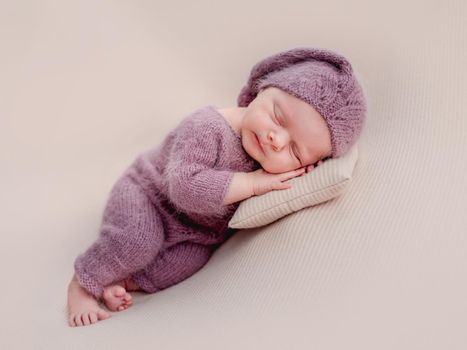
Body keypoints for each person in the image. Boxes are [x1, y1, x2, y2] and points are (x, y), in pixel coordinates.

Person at [67, 47, 367, 327]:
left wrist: (299, 173)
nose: (276, 139)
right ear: (261, 89)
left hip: (193, 231)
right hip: (148, 194)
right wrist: (251, 184)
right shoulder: (208, 127)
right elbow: (183, 186)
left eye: (296, 152)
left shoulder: (271, 163)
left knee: (187, 263)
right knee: (141, 238)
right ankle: (84, 281)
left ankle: (123, 279)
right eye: (277, 117)